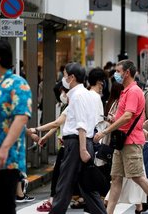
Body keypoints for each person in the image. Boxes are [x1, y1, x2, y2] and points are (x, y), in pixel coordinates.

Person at [93, 60, 148, 214]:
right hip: (121, 142)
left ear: (126, 72)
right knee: (115, 178)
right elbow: (130, 117)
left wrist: (105, 131)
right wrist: (112, 120)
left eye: (118, 71)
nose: (116, 74)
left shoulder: (134, 91)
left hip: (130, 142)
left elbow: (128, 116)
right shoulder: (126, 91)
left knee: (138, 177)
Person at [49, 62, 106, 214]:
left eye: (65, 75)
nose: (63, 78)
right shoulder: (83, 94)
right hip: (80, 142)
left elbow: (81, 123)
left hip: (76, 143)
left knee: (64, 184)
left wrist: (81, 148)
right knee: (87, 187)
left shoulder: (78, 95)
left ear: (72, 77)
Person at [0, 40, 32, 214]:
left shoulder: (18, 84)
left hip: (6, 159)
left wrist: (4, 148)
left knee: (5, 205)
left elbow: (21, 118)